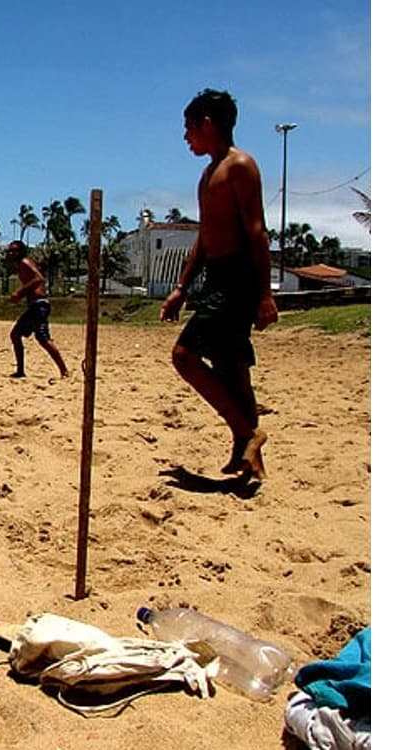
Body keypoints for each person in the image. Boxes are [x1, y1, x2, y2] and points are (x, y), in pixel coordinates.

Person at [159, 89, 278, 480]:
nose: (186, 137)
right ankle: (248, 459)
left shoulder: (240, 166)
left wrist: (264, 294)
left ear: (207, 124)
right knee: (232, 366)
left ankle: (247, 433)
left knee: (184, 356)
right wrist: (182, 286)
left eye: (189, 128)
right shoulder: (208, 174)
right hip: (216, 278)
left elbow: (257, 233)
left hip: (237, 280)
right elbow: (205, 238)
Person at [5, 241, 70, 379]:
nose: (11, 253)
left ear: (21, 251)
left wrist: (20, 292)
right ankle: (20, 370)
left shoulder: (24, 262)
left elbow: (39, 278)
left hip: (39, 305)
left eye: (14, 251)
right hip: (35, 306)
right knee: (16, 334)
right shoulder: (20, 266)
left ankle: (64, 371)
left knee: (43, 338)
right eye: (10, 251)